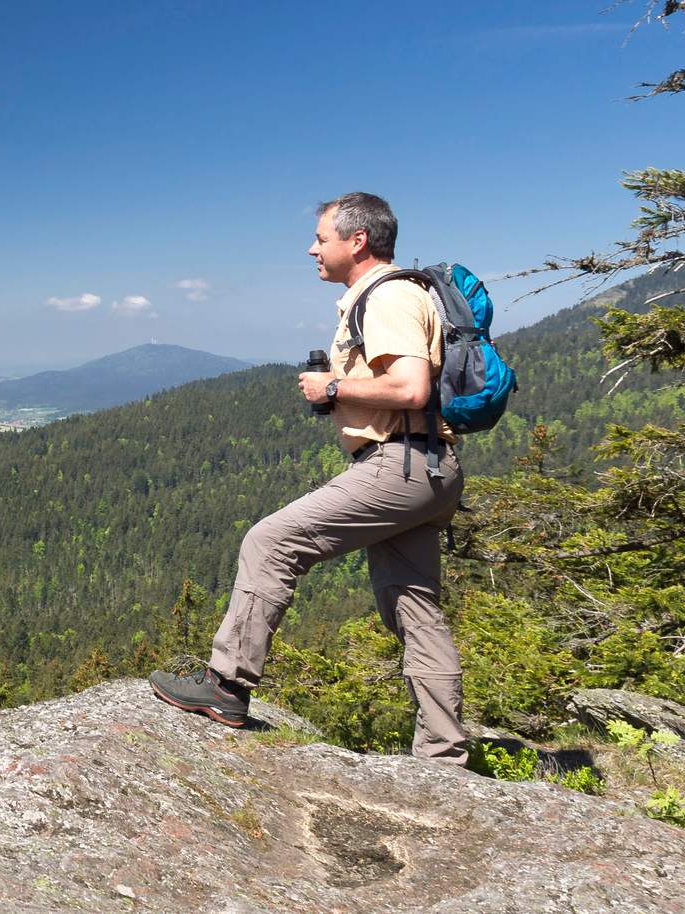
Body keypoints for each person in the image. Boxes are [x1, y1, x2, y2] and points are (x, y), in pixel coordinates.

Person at [148, 192, 468, 763]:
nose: (311, 248)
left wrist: (333, 389)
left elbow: (411, 389)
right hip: (430, 466)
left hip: (399, 464)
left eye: (321, 238)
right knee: (415, 607)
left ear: (357, 240)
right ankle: (444, 753)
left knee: (270, 542)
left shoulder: (389, 297)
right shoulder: (399, 294)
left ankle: (225, 687)